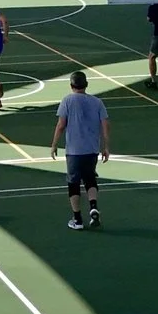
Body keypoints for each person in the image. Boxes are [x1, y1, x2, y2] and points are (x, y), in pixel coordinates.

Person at [48, 69, 110, 230]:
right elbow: (105, 125)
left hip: (74, 151)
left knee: (73, 184)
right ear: (86, 85)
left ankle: (77, 219)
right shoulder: (97, 102)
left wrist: (54, 144)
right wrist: (106, 147)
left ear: (71, 86)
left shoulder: (67, 101)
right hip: (91, 149)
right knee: (90, 179)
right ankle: (93, 206)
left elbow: (61, 125)